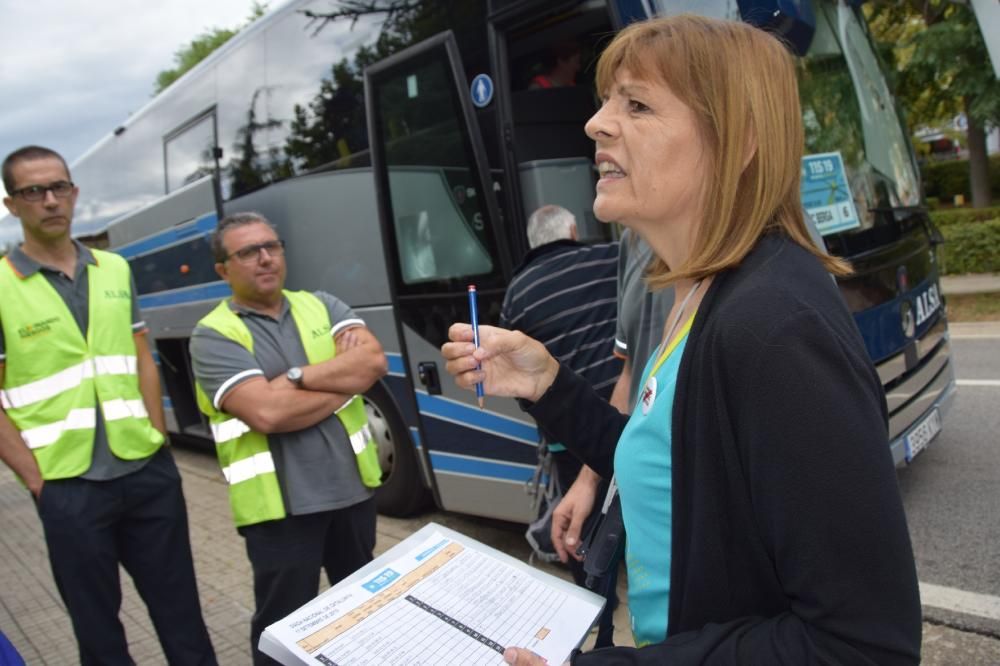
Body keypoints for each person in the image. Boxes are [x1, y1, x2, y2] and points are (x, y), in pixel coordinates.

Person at [442, 15, 921, 665]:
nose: (596, 123)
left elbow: (862, 645)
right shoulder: (696, 295)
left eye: (636, 103)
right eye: (607, 99)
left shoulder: (773, 328)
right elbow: (678, 468)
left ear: (739, 142)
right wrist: (547, 386)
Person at [0, 146, 216, 665]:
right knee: (97, 629)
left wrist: (158, 437)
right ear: (11, 204)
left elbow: (142, 356)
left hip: (146, 471)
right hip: (67, 485)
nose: (51, 201)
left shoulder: (115, 269)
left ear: (74, 193)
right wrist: (36, 480)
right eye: (34, 191)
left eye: (60, 187)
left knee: (182, 611)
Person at [189, 212, 387, 665]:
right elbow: (266, 412)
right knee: (284, 628)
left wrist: (295, 378)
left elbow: (372, 363)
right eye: (247, 252)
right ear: (223, 270)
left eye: (272, 246)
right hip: (280, 509)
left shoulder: (322, 304)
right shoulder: (213, 335)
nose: (264, 259)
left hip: (352, 493)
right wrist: (344, 380)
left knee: (364, 614)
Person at [499, 204, 621, 647]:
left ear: (534, 244)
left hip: (569, 432)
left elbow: (515, 373)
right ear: (572, 231)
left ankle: (591, 610)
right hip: (625, 414)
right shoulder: (611, 258)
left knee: (578, 523)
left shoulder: (518, 292)